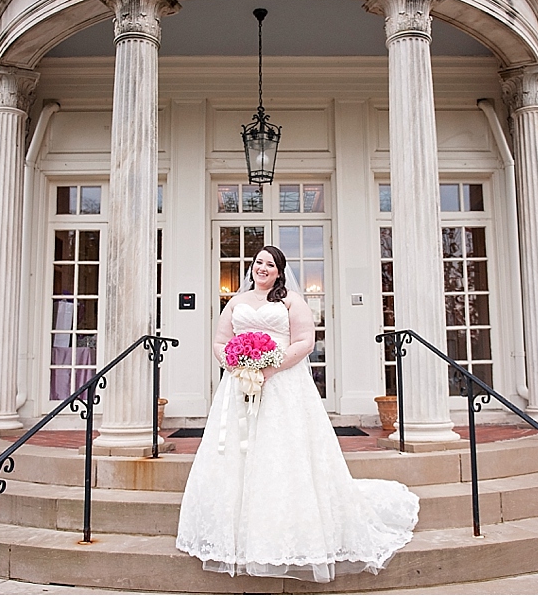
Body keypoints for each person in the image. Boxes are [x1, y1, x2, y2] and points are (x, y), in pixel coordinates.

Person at [175, 246, 419, 583]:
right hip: (239, 386)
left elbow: (305, 341)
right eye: (258, 262)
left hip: (283, 384)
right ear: (252, 268)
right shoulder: (236, 302)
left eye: (270, 264)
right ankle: (236, 535)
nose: (262, 268)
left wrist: (269, 366)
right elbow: (220, 341)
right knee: (236, 453)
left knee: (282, 453)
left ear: (279, 271)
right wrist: (235, 363)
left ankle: (287, 533)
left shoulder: (290, 300)